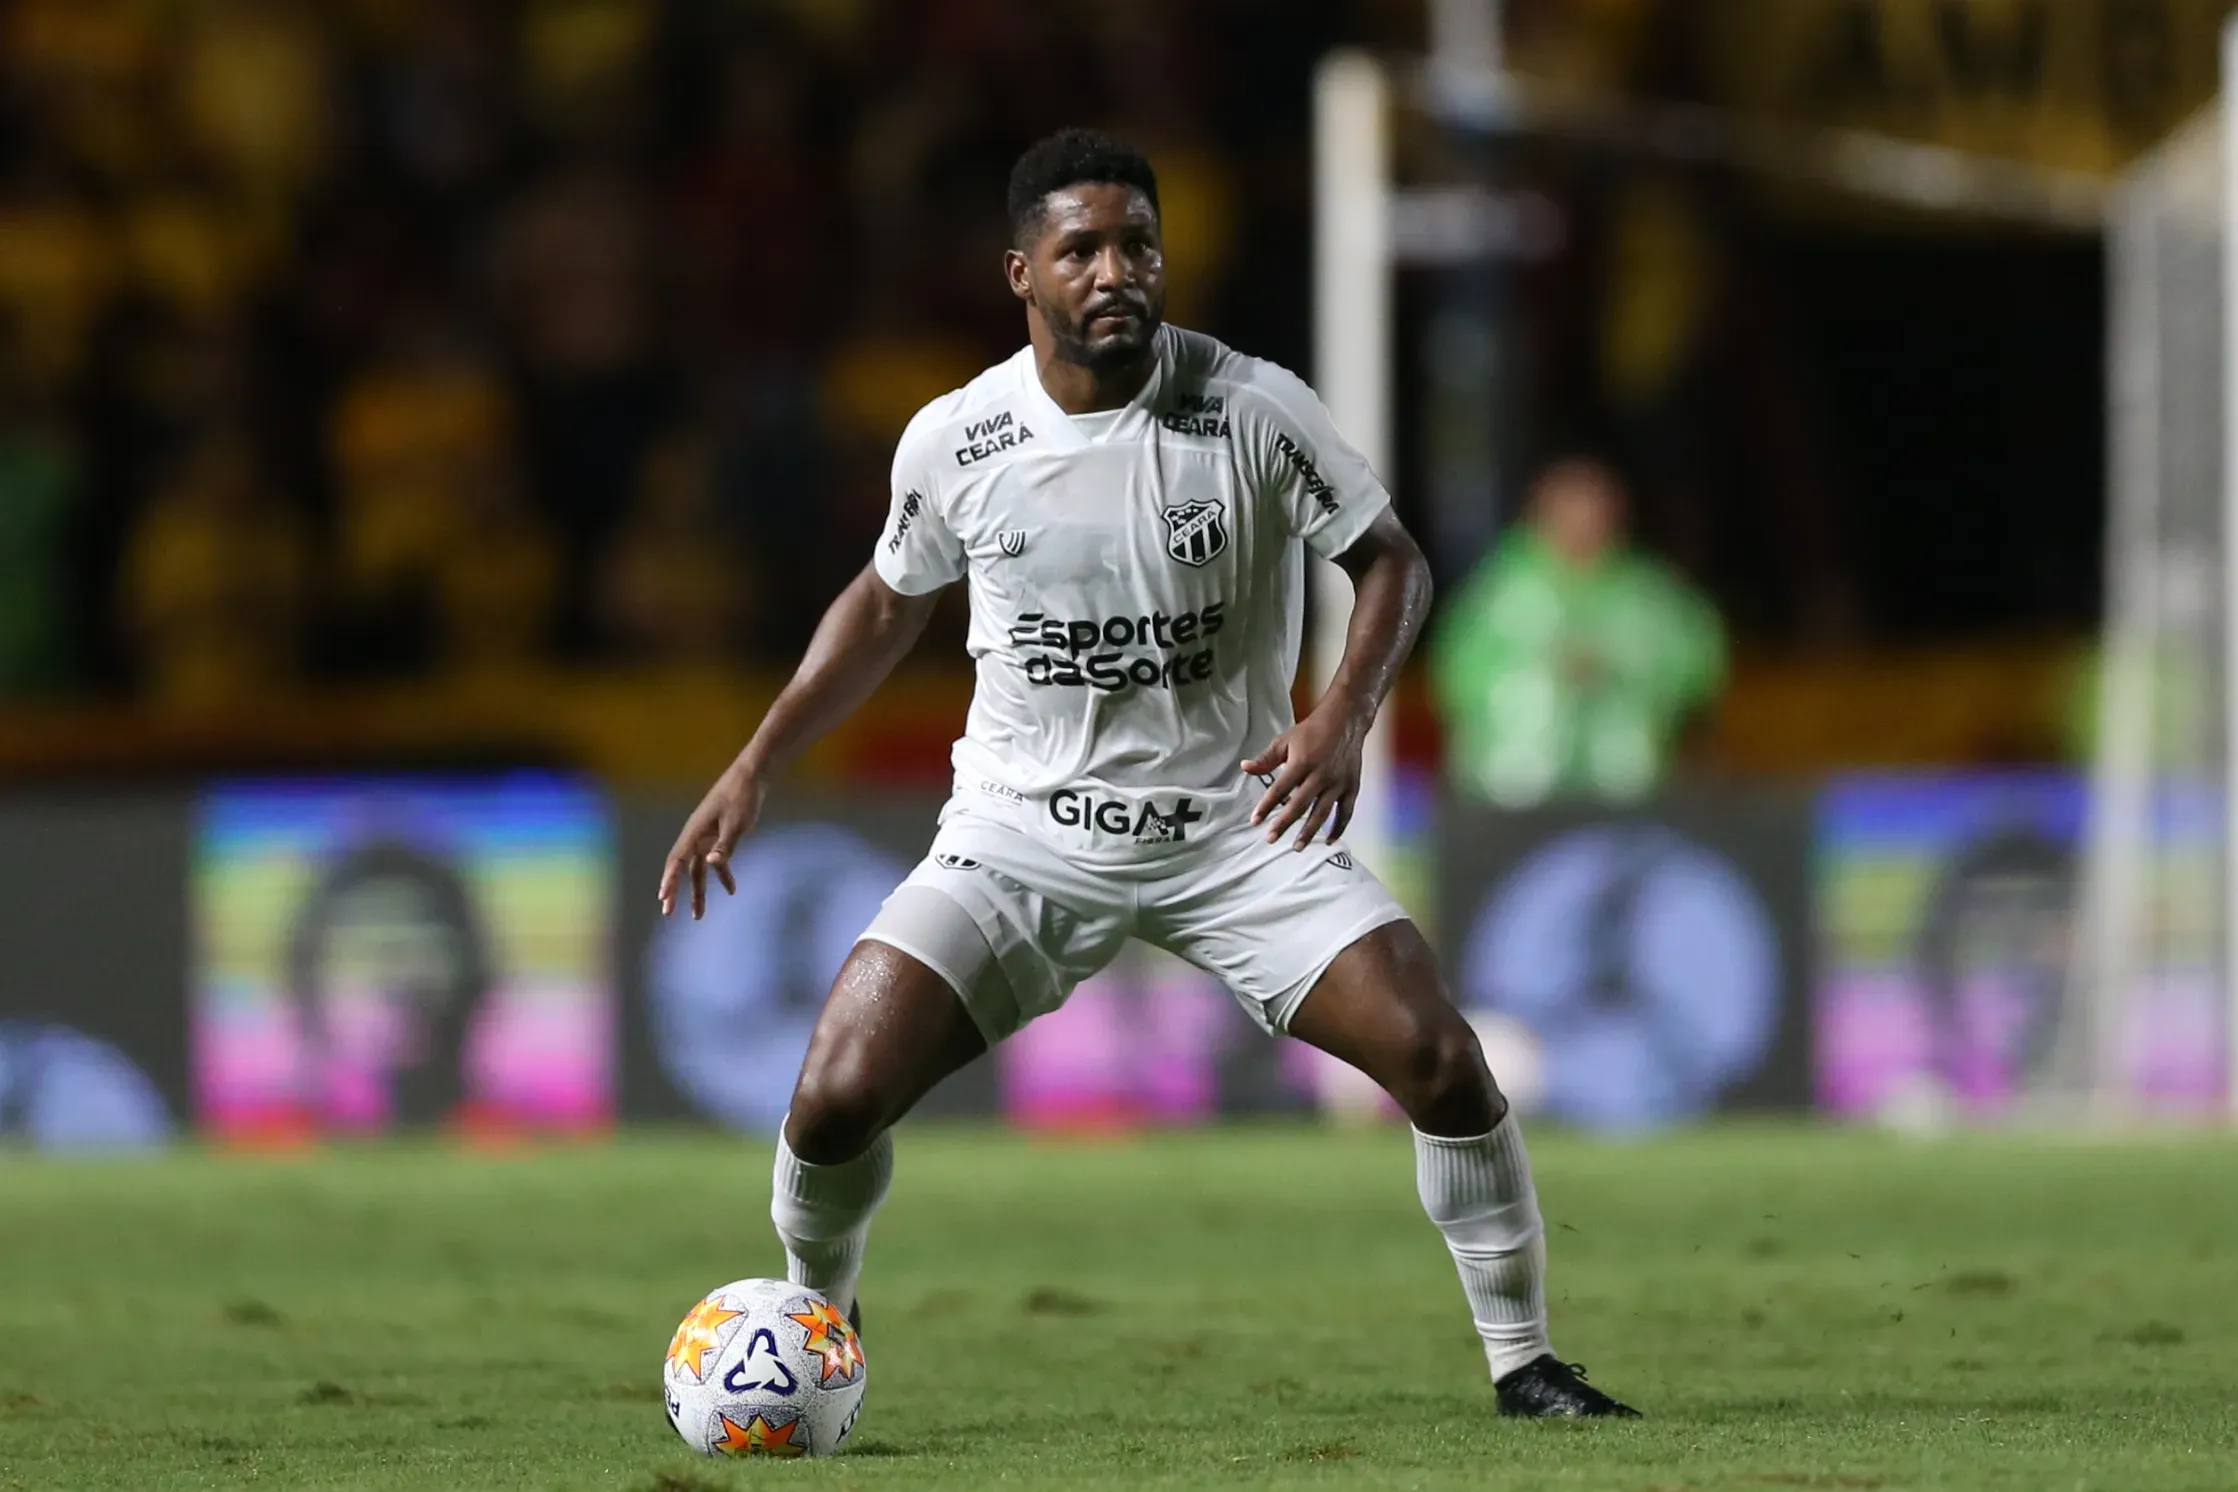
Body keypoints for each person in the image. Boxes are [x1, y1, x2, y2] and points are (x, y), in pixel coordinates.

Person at [659, 130, 1636, 1420]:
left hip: (1236, 828)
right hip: (1021, 834)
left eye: (1139, 246)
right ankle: (812, 1328)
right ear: (1023, 272)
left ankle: (1526, 1364)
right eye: (1083, 250)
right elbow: (886, 604)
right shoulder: (958, 440)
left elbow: (1391, 559)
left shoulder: (1252, 409)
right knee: (835, 1096)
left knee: (1442, 1058)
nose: (1118, 271)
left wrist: (1341, 714)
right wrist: (757, 759)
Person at [1431, 456, 1724, 807]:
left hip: (1626, 795)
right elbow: (1453, 675)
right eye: (1570, 511)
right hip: (1510, 798)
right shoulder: (1496, 593)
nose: (1582, 525)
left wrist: (1621, 666)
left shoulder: (1648, 594)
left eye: (1594, 513)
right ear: (1539, 515)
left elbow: (1702, 665)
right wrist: (1543, 669)